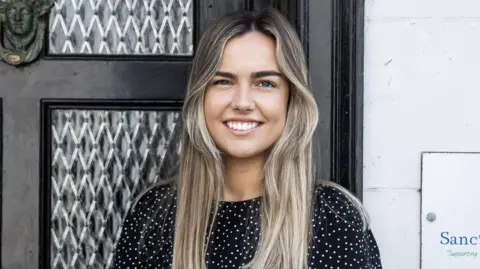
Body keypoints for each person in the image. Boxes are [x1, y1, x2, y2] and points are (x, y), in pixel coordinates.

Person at [111, 8, 382, 269]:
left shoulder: (334, 218)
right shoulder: (154, 216)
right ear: (200, 97)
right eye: (223, 82)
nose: (242, 102)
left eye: (265, 83)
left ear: (290, 100)